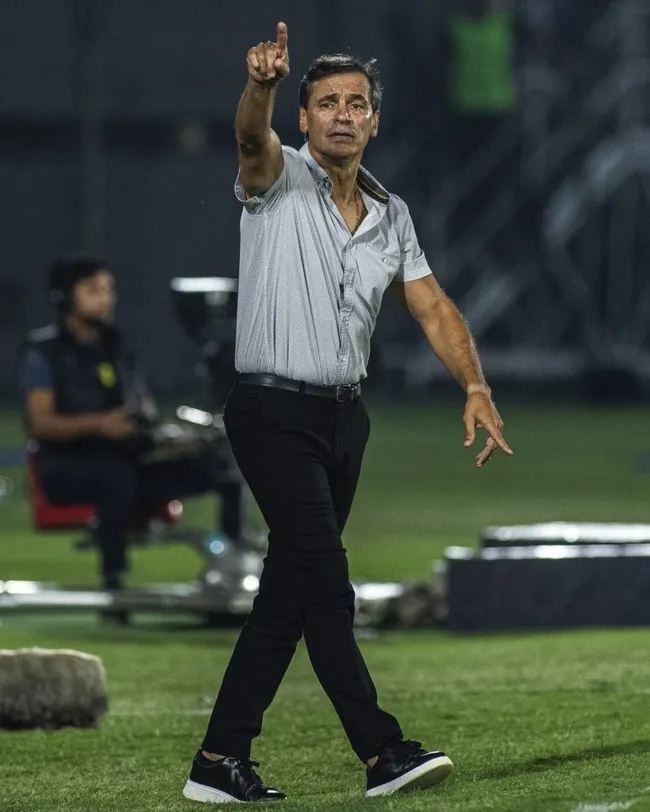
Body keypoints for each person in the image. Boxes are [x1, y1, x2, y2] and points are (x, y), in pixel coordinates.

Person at [183, 23, 513, 804]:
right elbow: (247, 135)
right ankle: (381, 750)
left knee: (289, 598)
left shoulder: (390, 214)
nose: (340, 114)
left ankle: (218, 760)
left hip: (342, 421)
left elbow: (432, 307)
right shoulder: (276, 176)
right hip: (271, 413)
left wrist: (476, 386)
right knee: (329, 589)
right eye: (325, 102)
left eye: (355, 103)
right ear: (304, 119)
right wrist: (261, 85)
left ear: (373, 120)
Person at [18, 253, 251, 613]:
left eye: (108, 289)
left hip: (127, 462)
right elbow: (41, 424)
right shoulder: (42, 353)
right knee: (115, 473)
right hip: (66, 470)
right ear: (64, 297)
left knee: (222, 466)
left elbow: (140, 411)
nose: (105, 298)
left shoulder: (119, 347)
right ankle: (114, 587)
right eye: (92, 290)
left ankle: (236, 572)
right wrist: (101, 425)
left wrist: (167, 437)